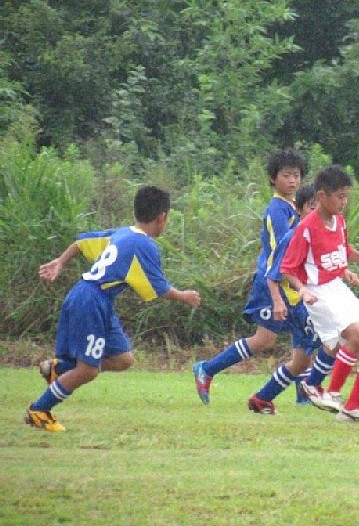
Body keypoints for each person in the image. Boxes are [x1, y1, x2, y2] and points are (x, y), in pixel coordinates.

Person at [27, 185, 202, 432]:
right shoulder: (144, 244)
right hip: (91, 301)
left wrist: (61, 262)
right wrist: (184, 296)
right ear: (162, 217)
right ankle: (39, 410)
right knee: (87, 370)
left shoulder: (123, 233)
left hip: (94, 298)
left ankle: (58, 369)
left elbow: (81, 242)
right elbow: (161, 289)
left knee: (123, 359)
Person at [192, 148, 306, 405]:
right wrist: (281, 289)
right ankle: (207, 369)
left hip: (291, 282)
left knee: (305, 332)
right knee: (265, 339)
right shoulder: (277, 209)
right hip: (273, 281)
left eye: (296, 175)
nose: (292, 181)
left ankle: (304, 395)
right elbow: (281, 250)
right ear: (273, 179)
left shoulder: (293, 207)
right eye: (286, 175)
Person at [280, 165, 359, 423]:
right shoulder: (306, 228)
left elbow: (344, 250)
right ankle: (330, 392)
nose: (344, 202)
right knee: (355, 335)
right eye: (340, 196)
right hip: (319, 293)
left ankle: (352, 408)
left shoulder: (339, 221)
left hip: (339, 289)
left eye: (346, 196)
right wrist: (302, 289)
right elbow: (288, 268)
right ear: (322, 196)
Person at [245, 184, 333, 414]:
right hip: (297, 304)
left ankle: (262, 398)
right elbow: (273, 274)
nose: (316, 212)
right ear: (299, 210)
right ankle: (315, 389)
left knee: (302, 361)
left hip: (310, 302)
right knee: (338, 337)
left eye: (319, 207)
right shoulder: (293, 237)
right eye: (311, 207)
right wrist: (277, 301)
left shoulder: (322, 235)